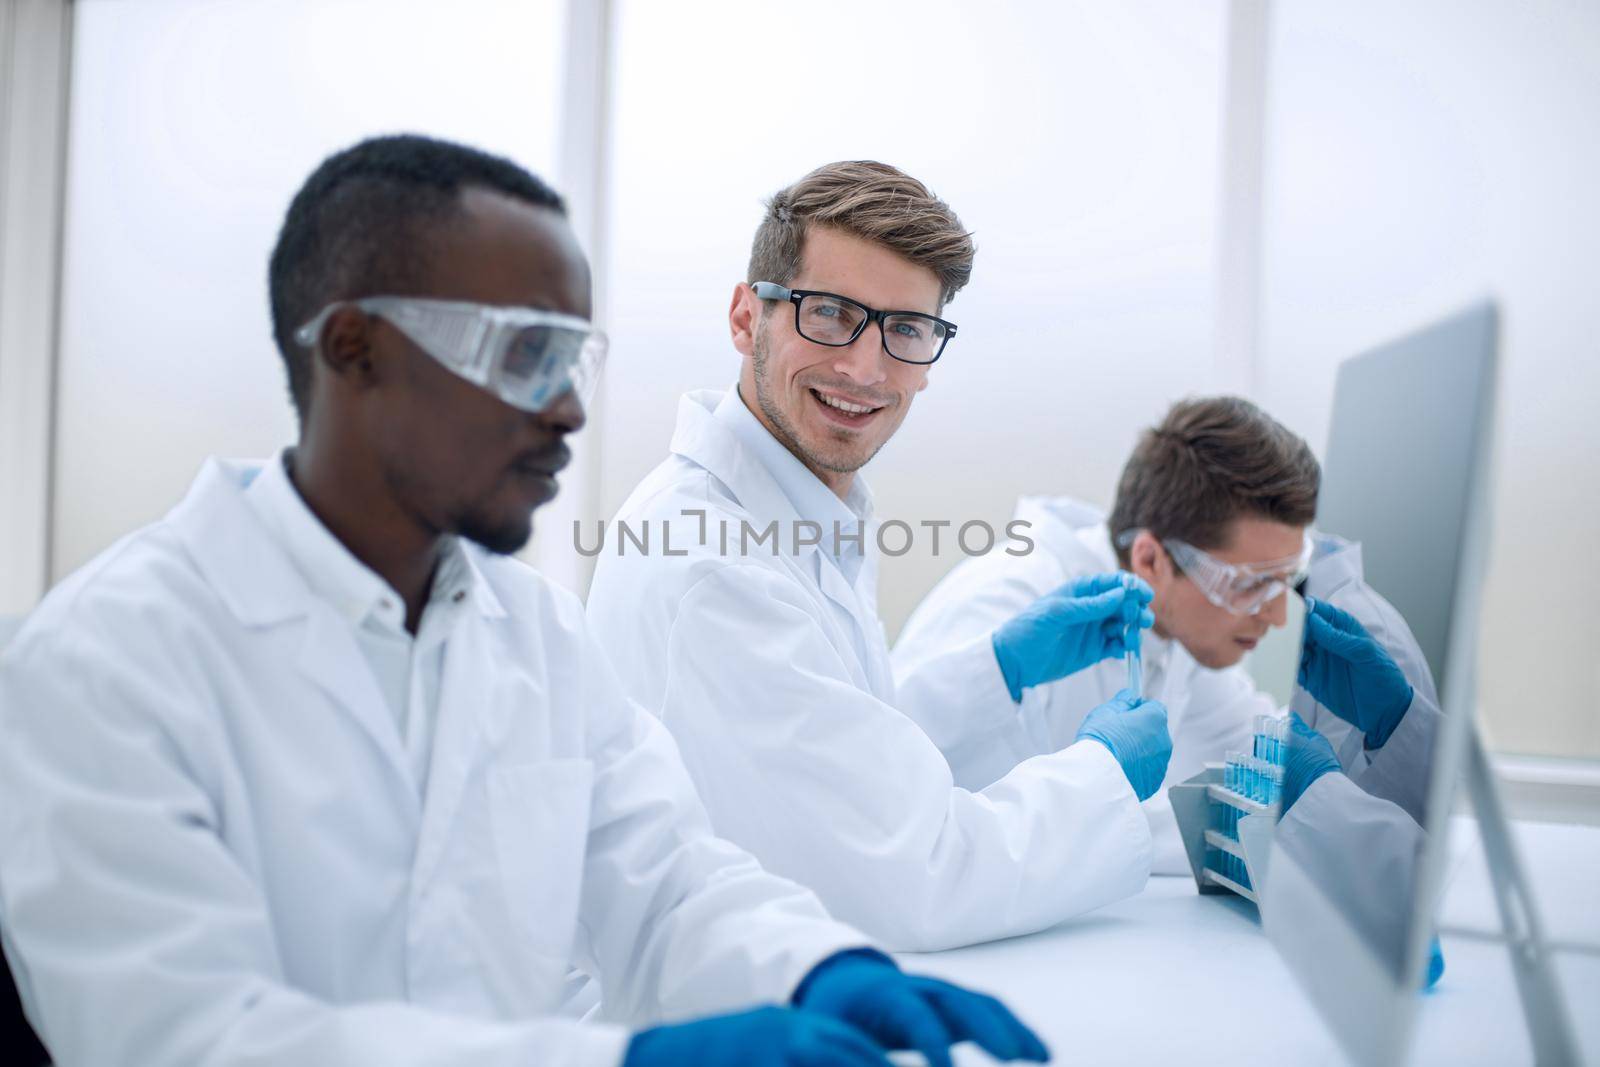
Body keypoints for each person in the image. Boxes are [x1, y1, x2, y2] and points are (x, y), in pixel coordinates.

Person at [0, 136, 1048, 1067]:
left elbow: (667, 874)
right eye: (521, 352)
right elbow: (183, 1037)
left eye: (573, 354)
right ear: (355, 349)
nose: (569, 408)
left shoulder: (533, 630)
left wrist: (815, 968)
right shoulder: (107, 657)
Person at [585, 160, 1171, 952]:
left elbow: (840, 752)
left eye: (905, 330)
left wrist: (998, 670)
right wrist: (1103, 770)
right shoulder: (710, 564)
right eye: (828, 313)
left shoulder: (796, 513)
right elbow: (911, 877)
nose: (864, 368)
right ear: (744, 317)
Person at [895, 397, 1319, 872]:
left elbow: (1255, 752)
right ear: (1150, 560)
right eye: (1249, 584)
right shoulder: (1004, 601)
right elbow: (901, 808)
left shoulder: (1175, 626)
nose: (1279, 615)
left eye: (1285, 581)